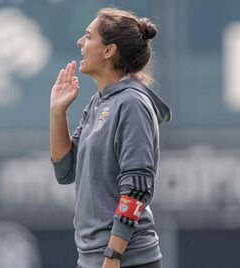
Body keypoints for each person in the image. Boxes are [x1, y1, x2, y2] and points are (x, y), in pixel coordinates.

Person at [50, 7, 172, 268]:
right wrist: (58, 111)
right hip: (93, 259)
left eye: (88, 36)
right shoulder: (98, 102)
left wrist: (113, 256)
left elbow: (137, 188)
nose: (80, 42)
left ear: (109, 50)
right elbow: (65, 170)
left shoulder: (132, 104)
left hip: (127, 260)